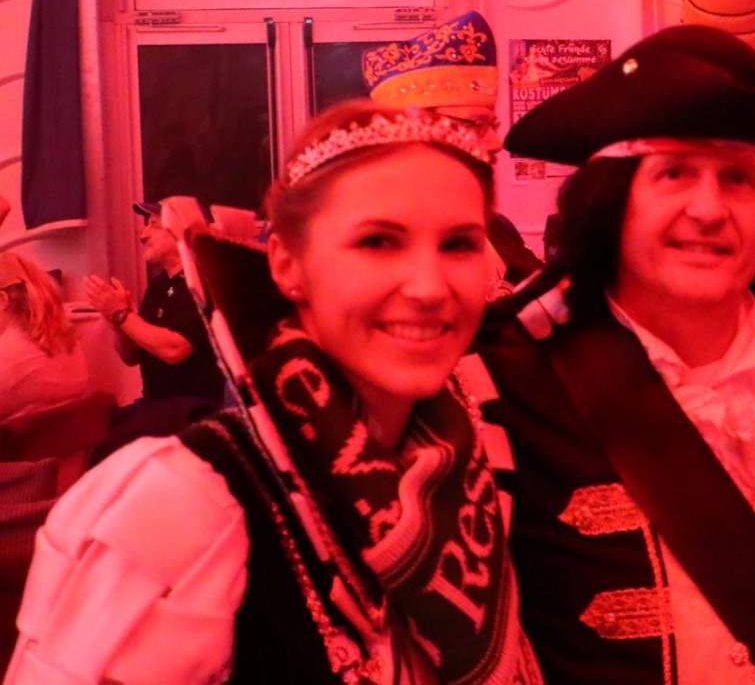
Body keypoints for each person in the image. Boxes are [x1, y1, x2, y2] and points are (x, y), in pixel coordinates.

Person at [7, 100, 540, 684]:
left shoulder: (467, 464)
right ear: (287, 264)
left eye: (459, 244)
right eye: (378, 242)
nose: (429, 288)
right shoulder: (176, 504)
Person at [474, 25, 755, 684]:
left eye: (740, 179)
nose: (709, 209)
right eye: (674, 172)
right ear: (612, 198)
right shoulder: (509, 377)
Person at [365, 9, 543, 285]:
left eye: (493, 126)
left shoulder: (497, 227)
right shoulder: (375, 242)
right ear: (417, 130)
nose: (496, 144)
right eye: (478, 124)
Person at [83, 197, 225, 412]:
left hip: (193, 409)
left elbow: (174, 350)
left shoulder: (202, 280)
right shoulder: (159, 285)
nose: (143, 234)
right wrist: (118, 323)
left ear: (181, 230)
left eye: (154, 225)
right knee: (97, 417)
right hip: (156, 404)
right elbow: (131, 357)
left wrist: (121, 314)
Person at [0, 252, 90, 425]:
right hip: (75, 442)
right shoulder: (70, 345)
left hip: (26, 443)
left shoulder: (6, 358)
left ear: (3, 299)